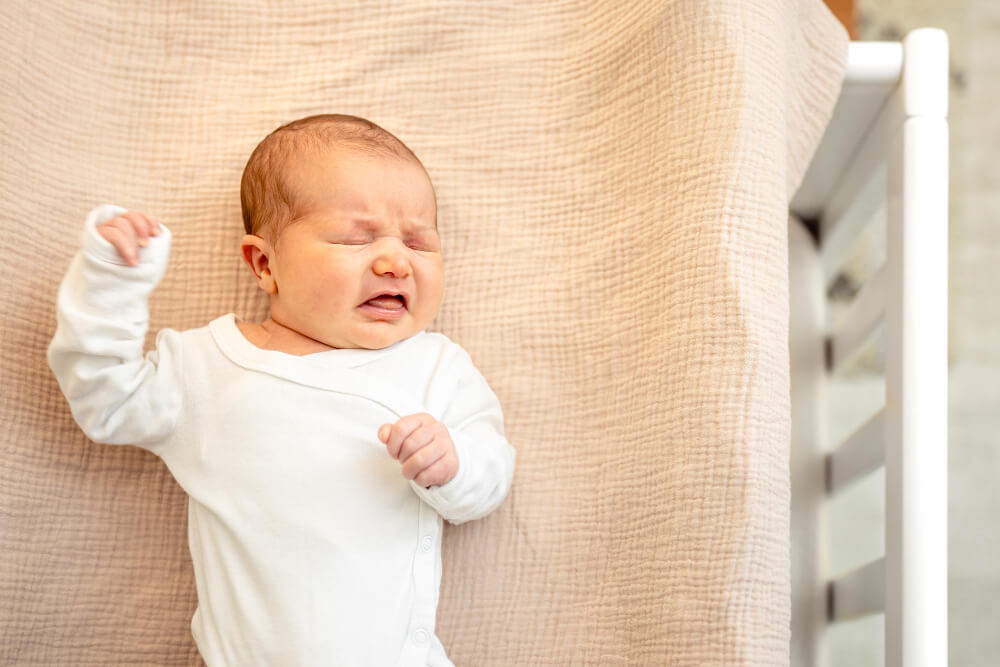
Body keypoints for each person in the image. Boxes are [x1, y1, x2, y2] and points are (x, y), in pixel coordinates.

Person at [47, 114, 516, 666]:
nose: (396, 262)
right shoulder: (209, 368)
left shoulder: (435, 366)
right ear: (265, 264)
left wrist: (454, 463)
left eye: (419, 242)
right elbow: (107, 400)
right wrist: (110, 283)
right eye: (354, 238)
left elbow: (493, 470)